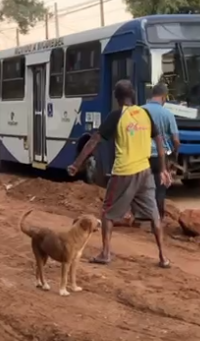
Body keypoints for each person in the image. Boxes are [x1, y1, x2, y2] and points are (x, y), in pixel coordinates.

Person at [67, 80, 172, 269]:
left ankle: (106, 253)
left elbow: (93, 142)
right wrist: (163, 169)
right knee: (154, 215)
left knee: (107, 213)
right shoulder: (145, 113)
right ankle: (163, 257)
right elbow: (160, 142)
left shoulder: (116, 116)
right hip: (145, 171)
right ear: (133, 95)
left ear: (116, 97)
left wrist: (76, 164)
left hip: (124, 172)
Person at [142, 83, 180, 221]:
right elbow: (176, 140)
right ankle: (158, 219)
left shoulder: (140, 111)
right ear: (164, 97)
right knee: (160, 188)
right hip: (160, 157)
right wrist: (175, 155)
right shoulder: (168, 114)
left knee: (141, 187)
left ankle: (140, 216)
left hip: (142, 156)